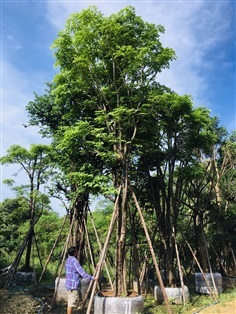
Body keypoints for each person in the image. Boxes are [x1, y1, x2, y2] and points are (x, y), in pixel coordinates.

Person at [65, 246, 97, 314]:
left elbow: (71, 271)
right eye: (76, 251)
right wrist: (92, 278)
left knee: (70, 302)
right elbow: (83, 273)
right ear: (74, 252)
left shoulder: (68, 260)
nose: (77, 253)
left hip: (68, 284)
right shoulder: (74, 261)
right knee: (71, 303)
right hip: (73, 285)